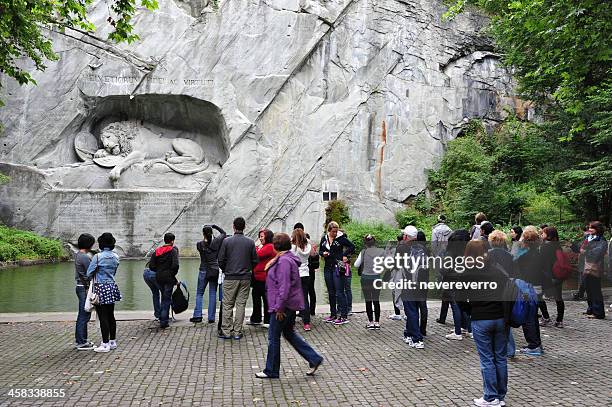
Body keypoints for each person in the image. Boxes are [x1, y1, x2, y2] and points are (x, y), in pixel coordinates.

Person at [255, 233, 324, 379]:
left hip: (282, 306)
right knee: (288, 333)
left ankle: (271, 370)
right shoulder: (284, 259)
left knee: (273, 336)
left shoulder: (284, 261)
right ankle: (314, 358)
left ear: (276, 246)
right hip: (288, 305)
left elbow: (284, 287)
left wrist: (279, 308)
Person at [461, 241, 508, 407]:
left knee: (487, 359)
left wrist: (469, 310)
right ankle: (500, 395)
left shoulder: (467, 272)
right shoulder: (497, 269)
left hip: (481, 318)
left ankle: (490, 396)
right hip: (501, 317)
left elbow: (459, 297)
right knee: (500, 358)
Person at [218, 217, 258, 339]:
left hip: (230, 277)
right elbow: (255, 260)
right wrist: (248, 268)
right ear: (244, 227)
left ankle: (226, 331)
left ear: (233, 227)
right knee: (241, 304)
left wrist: (226, 270)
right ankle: (237, 331)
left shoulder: (226, 241)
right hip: (245, 277)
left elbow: (220, 260)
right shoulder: (250, 242)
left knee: (227, 305)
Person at [86, 233, 121, 353]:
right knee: (111, 315)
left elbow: (89, 273)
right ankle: (113, 341)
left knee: (102, 316)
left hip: (100, 287)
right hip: (111, 286)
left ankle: (104, 344)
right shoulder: (116, 257)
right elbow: (114, 271)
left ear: (101, 243)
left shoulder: (97, 257)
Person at [513, 226, 543, 356]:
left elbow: (513, 261)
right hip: (537, 286)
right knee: (533, 316)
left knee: (528, 317)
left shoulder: (524, 253)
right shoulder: (537, 251)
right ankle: (536, 343)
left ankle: (534, 345)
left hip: (527, 287)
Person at [397, 225, 428, 349]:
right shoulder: (422, 248)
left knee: (411, 311)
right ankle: (408, 333)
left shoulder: (402, 248)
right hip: (421, 284)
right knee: (414, 309)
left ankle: (417, 338)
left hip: (408, 283)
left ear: (406, 236)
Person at [319, 221, 355, 325]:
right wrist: (323, 254)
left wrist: (344, 255)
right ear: (328, 230)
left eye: (336, 231)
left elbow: (352, 246)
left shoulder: (341, 238)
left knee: (340, 291)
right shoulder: (324, 238)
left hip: (338, 267)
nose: (335, 233)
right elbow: (320, 251)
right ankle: (333, 314)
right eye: (333, 232)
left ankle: (343, 315)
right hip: (327, 267)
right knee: (331, 292)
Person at [191, 224, 227, 324]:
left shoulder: (199, 244)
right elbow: (223, 233)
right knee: (212, 293)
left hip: (203, 269)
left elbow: (204, 245)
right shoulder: (216, 242)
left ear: (203, 234)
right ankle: (211, 318)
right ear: (211, 233)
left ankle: (197, 316)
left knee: (199, 293)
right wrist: (215, 226)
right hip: (214, 270)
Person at [441, 229, 472, 341]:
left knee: (456, 306)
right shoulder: (468, 251)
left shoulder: (451, 252)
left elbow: (444, 269)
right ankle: (469, 329)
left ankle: (457, 332)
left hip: (451, 281)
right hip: (464, 280)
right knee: (464, 305)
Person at [149, 232, 180, 329]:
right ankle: (164, 321)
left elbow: (151, 266)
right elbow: (176, 265)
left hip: (159, 277)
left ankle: (162, 318)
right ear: (172, 241)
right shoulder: (173, 251)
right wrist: (172, 274)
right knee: (166, 299)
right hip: (169, 277)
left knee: (163, 297)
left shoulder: (157, 251)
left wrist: (159, 271)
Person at [355, 234, 384, 329]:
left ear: (365, 243)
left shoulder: (363, 252)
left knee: (368, 300)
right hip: (377, 278)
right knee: (376, 300)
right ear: (375, 242)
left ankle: (371, 322)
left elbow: (356, 265)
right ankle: (377, 322)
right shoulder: (381, 251)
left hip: (366, 278)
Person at [538, 226, 565, 327]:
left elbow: (541, 261)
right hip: (558, 275)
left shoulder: (545, 246)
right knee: (558, 298)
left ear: (548, 235)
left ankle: (546, 317)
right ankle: (559, 320)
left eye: (543, 233)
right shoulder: (558, 245)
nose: (541, 235)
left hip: (547, 275)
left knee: (538, 296)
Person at [249, 229, 275, 327]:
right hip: (258, 277)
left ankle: (267, 320)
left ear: (267, 237)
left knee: (265, 299)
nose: (260, 238)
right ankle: (257, 318)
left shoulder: (269, 247)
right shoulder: (265, 246)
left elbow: (256, 255)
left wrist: (255, 247)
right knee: (257, 298)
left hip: (264, 278)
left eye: (262, 236)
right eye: (260, 236)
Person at [581, 221, 607, 319]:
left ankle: (599, 312)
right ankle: (591, 309)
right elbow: (579, 248)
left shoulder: (601, 240)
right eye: (589, 227)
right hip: (586, 266)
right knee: (588, 289)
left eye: (592, 228)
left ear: (597, 229)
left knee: (595, 290)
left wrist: (585, 251)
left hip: (595, 268)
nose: (589, 229)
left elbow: (597, 253)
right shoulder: (588, 238)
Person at [74, 233, 95, 350]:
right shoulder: (85, 257)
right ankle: (81, 342)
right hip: (84, 288)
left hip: (80, 287)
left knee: (83, 314)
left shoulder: (79, 255)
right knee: (84, 315)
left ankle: (83, 340)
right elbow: (90, 272)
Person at [432, 215, 453, 325]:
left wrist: (435, 255)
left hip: (439, 256)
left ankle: (438, 291)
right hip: (449, 256)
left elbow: (433, 244)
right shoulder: (450, 230)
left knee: (440, 275)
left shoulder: (435, 230)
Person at [291, 228, 312, 331]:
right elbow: (307, 241)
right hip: (306, 273)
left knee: (293, 299)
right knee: (304, 298)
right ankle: (306, 323)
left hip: (295, 274)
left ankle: (292, 321)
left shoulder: (292, 248)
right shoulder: (307, 246)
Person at [306, 233, 319, 316]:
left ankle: (307, 310)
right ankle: (312, 310)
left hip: (308, 271)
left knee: (306, 291)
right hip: (311, 271)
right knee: (311, 290)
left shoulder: (309, 248)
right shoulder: (312, 249)